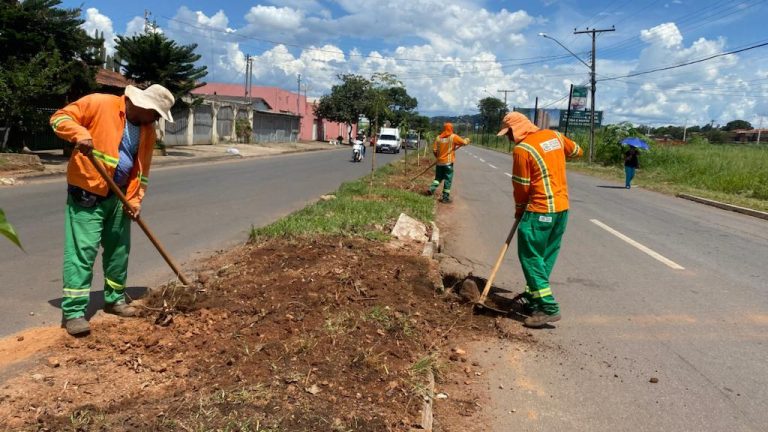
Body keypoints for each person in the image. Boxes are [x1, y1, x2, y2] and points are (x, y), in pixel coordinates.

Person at [50, 84, 175, 336]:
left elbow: (142, 172)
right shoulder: (100, 103)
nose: (157, 119)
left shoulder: (147, 130)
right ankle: (74, 313)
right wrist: (78, 133)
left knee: (119, 251)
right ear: (144, 106)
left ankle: (115, 299)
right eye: (157, 114)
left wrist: (135, 201)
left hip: (120, 197)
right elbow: (58, 118)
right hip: (88, 191)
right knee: (82, 253)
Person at [497, 112, 583, 328]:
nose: (509, 137)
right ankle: (533, 297)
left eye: (509, 133)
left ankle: (548, 307)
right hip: (561, 210)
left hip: (540, 210)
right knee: (545, 257)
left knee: (530, 257)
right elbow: (577, 151)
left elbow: (521, 186)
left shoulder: (522, 150)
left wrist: (519, 210)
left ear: (517, 129)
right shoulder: (554, 136)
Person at [427, 122, 469, 203]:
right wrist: (467, 140)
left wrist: (438, 158)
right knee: (448, 179)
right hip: (448, 163)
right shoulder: (453, 137)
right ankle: (445, 198)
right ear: (451, 129)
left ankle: (431, 189)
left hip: (439, 163)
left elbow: (434, 150)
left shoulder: (438, 138)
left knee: (438, 178)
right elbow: (463, 142)